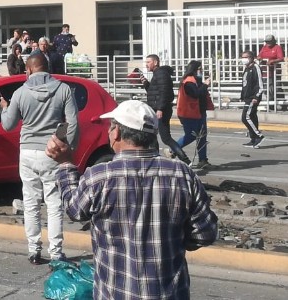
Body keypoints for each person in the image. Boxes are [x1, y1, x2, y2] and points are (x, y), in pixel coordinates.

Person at [47, 100, 218, 300]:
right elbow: (205, 233)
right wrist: (173, 243)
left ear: (117, 132)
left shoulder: (99, 176)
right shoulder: (182, 175)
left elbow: (74, 209)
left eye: (111, 127)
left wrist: (66, 164)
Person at [0, 53, 78, 264]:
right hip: (51, 151)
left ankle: (34, 250)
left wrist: (4, 108)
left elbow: (8, 125)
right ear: (47, 67)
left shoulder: (19, 93)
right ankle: (56, 253)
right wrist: (67, 151)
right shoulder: (63, 90)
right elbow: (72, 123)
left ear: (30, 69)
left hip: (27, 153)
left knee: (31, 202)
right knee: (53, 204)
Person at [140, 54, 189, 163]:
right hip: (158, 109)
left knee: (165, 138)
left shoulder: (161, 74)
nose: (146, 65)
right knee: (151, 135)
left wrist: (160, 109)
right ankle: (155, 159)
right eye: (146, 62)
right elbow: (155, 93)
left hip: (162, 110)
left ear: (156, 62)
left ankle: (185, 160)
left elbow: (164, 92)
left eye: (148, 62)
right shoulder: (157, 74)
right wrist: (146, 84)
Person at [176, 60, 213, 170]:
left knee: (202, 136)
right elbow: (196, 94)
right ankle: (174, 149)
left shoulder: (197, 80)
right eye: (199, 69)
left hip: (199, 112)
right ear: (194, 70)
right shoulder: (189, 82)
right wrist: (206, 85)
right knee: (191, 135)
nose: (201, 71)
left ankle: (203, 159)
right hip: (189, 113)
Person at [240, 50, 265, 148]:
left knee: (245, 117)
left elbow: (260, 84)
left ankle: (258, 136)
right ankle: (253, 139)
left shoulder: (255, 68)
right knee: (252, 117)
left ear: (251, 58)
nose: (244, 59)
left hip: (253, 97)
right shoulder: (247, 68)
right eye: (242, 57)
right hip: (247, 97)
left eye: (246, 57)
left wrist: (256, 97)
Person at [257, 34, 283, 103]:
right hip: (265, 71)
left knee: (276, 87)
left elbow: (281, 58)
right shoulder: (264, 47)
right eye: (266, 41)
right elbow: (259, 56)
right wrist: (259, 58)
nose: (268, 43)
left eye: (269, 41)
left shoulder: (277, 47)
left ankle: (281, 102)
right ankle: (270, 103)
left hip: (274, 71)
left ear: (273, 41)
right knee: (267, 87)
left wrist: (272, 61)